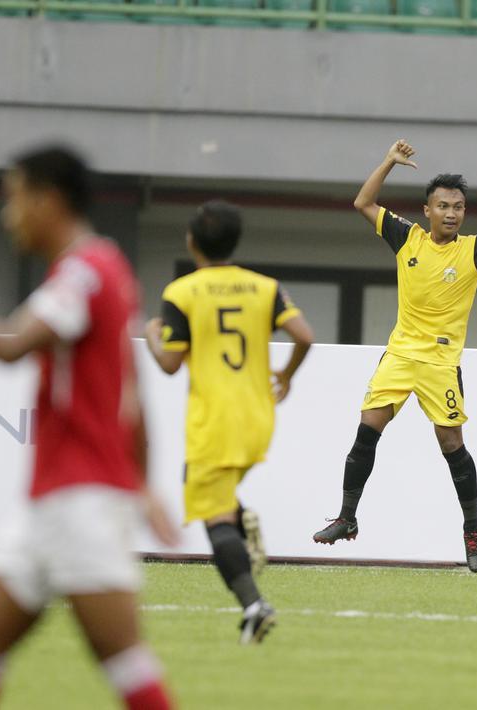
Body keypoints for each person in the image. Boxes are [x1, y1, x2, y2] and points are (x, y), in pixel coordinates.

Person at [0, 145, 178, 709]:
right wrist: (143, 483)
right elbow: (133, 394)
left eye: (14, 199)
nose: (8, 214)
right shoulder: (108, 266)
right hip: (52, 501)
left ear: (47, 200)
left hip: (82, 501)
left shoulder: (82, 272)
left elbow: (14, 344)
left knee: (124, 662)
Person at [312, 139, 477, 573]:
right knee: (368, 430)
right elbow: (362, 201)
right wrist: (388, 161)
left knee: (452, 445)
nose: (451, 213)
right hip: (401, 354)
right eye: (443, 205)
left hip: (441, 364)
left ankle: (473, 530)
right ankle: (347, 518)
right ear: (427, 210)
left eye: (458, 207)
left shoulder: (474, 249)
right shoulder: (407, 237)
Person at [143, 200, 314, 644]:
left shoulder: (181, 293)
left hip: (214, 419)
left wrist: (150, 335)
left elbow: (168, 364)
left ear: (191, 241)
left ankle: (254, 606)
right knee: (209, 493)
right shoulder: (264, 287)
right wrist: (287, 375)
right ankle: (243, 522)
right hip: (258, 414)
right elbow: (304, 335)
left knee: (212, 517)